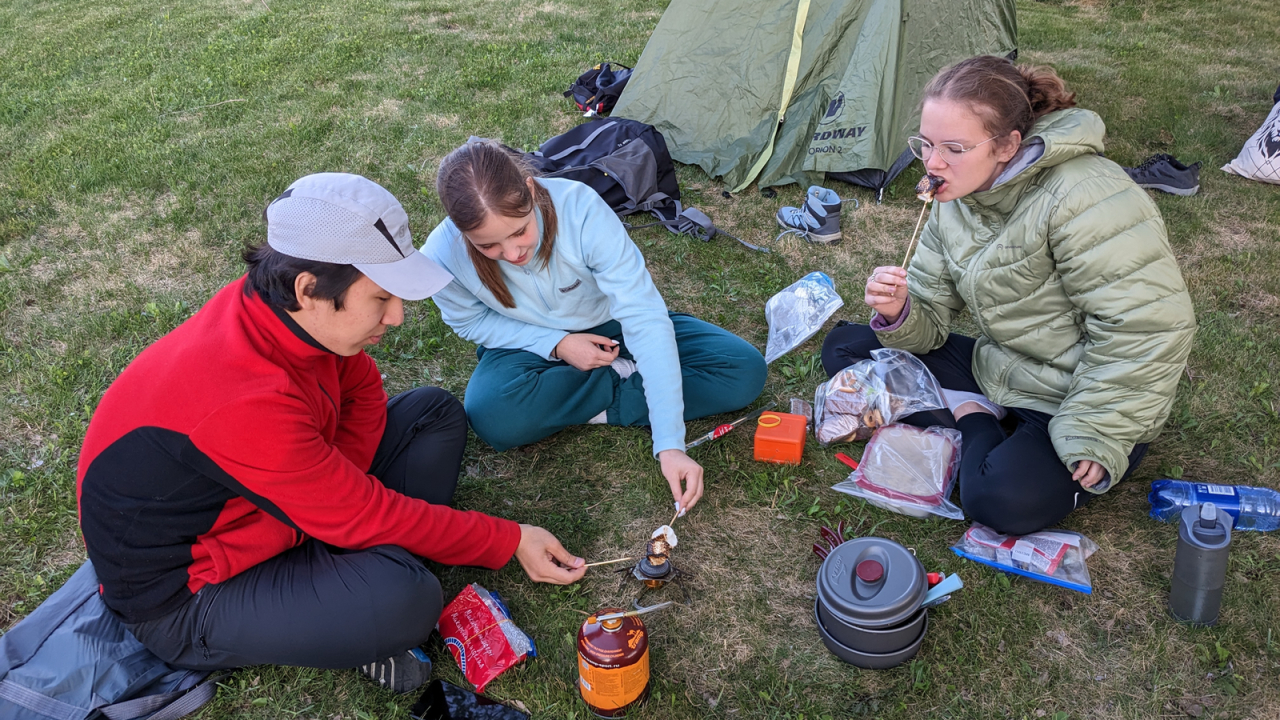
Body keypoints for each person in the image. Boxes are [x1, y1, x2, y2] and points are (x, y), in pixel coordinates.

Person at [76, 173, 587, 695]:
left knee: (432, 413)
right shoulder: (244, 399)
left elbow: (361, 388)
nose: (398, 316)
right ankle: (354, 599)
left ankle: (342, 574)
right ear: (309, 289)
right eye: (382, 297)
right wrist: (506, 540)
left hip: (273, 515)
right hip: (188, 596)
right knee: (406, 599)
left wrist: (342, 494)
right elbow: (361, 512)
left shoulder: (283, 314)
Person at [821, 56, 1196, 535]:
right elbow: (932, 317)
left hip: (1079, 397)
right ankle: (985, 417)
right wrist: (902, 311)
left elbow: (1147, 328)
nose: (933, 164)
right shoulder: (954, 192)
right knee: (846, 349)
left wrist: (1099, 431)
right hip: (1001, 367)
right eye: (926, 144)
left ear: (1007, 145)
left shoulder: (1085, 196)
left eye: (953, 148)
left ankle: (973, 417)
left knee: (999, 500)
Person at [422, 140, 767, 515]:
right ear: (461, 232)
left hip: (613, 324)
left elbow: (643, 317)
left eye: (520, 231)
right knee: (490, 416)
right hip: (525, 345)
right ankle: (635, 381)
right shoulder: (441, 255)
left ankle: (597, 394)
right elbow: (470, 320)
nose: (512, 254)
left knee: (744, 371)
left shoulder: (581, 208)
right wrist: (556, 343)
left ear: (532, 190)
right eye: (489, 245)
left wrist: (670, 442)